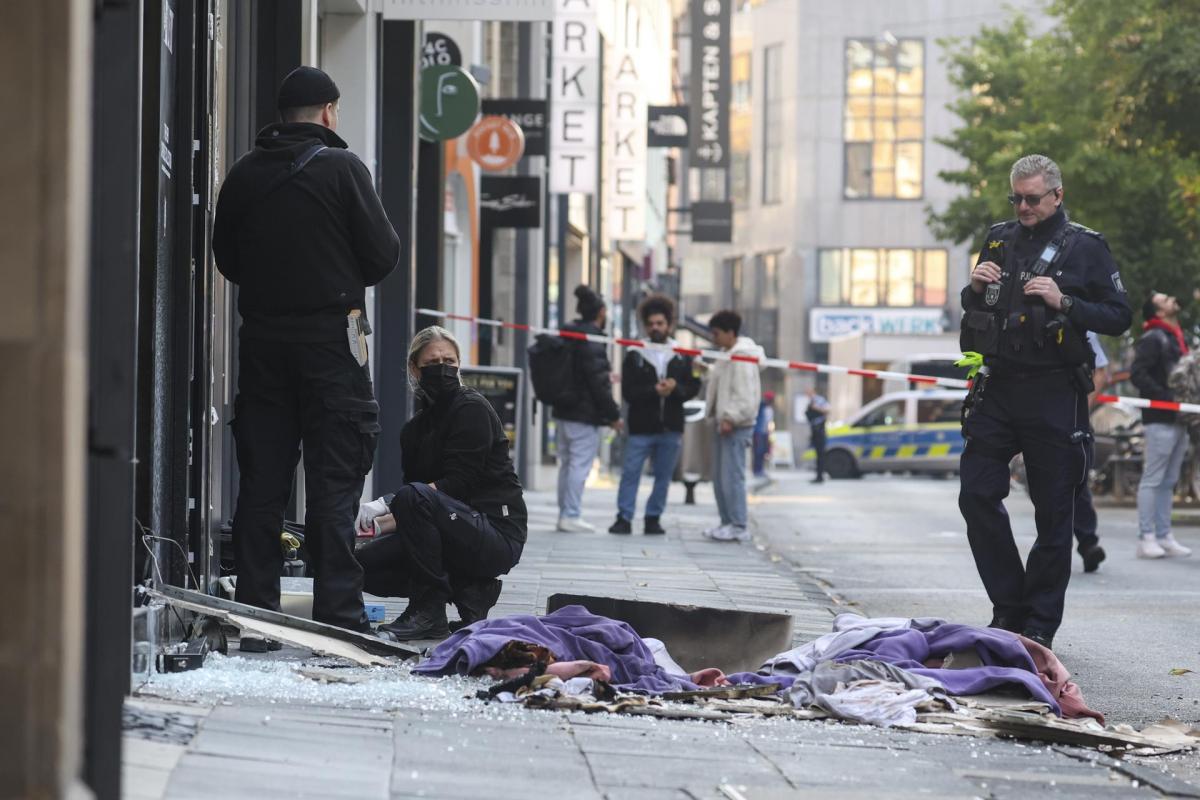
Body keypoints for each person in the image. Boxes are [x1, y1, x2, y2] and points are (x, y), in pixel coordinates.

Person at [212, 66, 400, 645]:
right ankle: (338, 615)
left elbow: (226, 258)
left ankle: (255, 616)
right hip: (331, 345)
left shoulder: (243, 174)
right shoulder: (344, 169)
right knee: (334, 479)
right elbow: (383, 254)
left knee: (262, 482)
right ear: (327, 112)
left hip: (264, 343)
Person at [958, 154, 1131, 650]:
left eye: (1032, 198)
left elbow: (1119, 316)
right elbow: (979, 309)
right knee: (976, 494)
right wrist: (973, 288)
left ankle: (1037, 625)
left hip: (1055, 392)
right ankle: (1008, 608)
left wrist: (1066, 302)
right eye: (1016, 198)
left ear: (1057, 195)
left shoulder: (1086, 247)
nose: (1023, 207)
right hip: (998, 388)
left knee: (1054, 513)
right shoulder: (998, 236)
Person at [354, 327, 527, 640]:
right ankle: (470, 589)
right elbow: (417, 510)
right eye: (433, 362)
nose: (443, 368)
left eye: (450, 361)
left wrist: (385, 502)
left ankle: (429, 610)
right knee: (361, 565)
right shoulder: (415, 429)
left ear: (460, 365)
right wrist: (375, 528)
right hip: (453, 527)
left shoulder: (471, 408)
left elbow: (457, 484)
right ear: (414, 368)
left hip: (496, 531)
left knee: (410, 497)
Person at [609, 295, 701, 535]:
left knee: (663, 477)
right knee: (630, 473)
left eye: (660, 323)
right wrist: (653, 390)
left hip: (671, 427)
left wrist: (675, 390)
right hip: (641, 426)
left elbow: (693, 387)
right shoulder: (635, 353)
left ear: (668, 324)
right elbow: (628, 391)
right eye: (651, 324)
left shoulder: (681, 354)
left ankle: (653, 518)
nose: (655, 328)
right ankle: (624, 517)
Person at [553, 286, 622, 532]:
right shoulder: (592, 339)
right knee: (579, 465)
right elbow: (599, 382)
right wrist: (613, 414)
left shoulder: (568, 333)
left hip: (563, 408)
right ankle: (570, 515)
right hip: (583, 413)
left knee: (567, 463)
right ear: (601, 311)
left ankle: (565, 513)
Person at [1130, 291, 1192, 559]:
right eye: (1166, 299)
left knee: (1169, 480)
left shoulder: (1174, 337)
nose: (1171, 300)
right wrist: (1166, 399)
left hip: (1179, 418)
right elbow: (1138, 374)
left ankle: (1164, 535)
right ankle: (1147, 537)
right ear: (1158, 312)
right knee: (1154, 478)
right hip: (1161, 417)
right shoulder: (1153, 338)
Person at [703, 310, 764, 543]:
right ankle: (727, 521)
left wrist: (731, 417)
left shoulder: (742, 356)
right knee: (720, 477)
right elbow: (727, 384)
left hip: (736, 425)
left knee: (732, 476)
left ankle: (738, 524)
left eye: (717, 333)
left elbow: (745, 395)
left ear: (730, 333)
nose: (714, 338)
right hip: (724, 422)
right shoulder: (726, 354)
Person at [1073, 331, 1109, 573]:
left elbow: (1102, 371)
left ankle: (1088, 543)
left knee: (1078, 480)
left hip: (1074, 418)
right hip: (1037, 416)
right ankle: (1052, 548)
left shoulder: (1082, 324)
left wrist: (1082, 407)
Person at [805, 387, 831, 484]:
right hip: (815, 430)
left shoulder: (819, 400)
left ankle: (820, 476)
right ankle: (818, 476)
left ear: (813, 392)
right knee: (818, 454)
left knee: (820, 454)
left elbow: (827, 409)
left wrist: (816, 408)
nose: (807, 395)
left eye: (808, 392)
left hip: (820, 430)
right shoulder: (811, 401)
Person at [751, 392, 776, 486]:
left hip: (765, 433)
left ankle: (761, 469)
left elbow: (769, 421)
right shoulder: (761, 406)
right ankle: (756, 470)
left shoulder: (770, 409)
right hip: (758, 432)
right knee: (758, 451)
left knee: (763, 452)